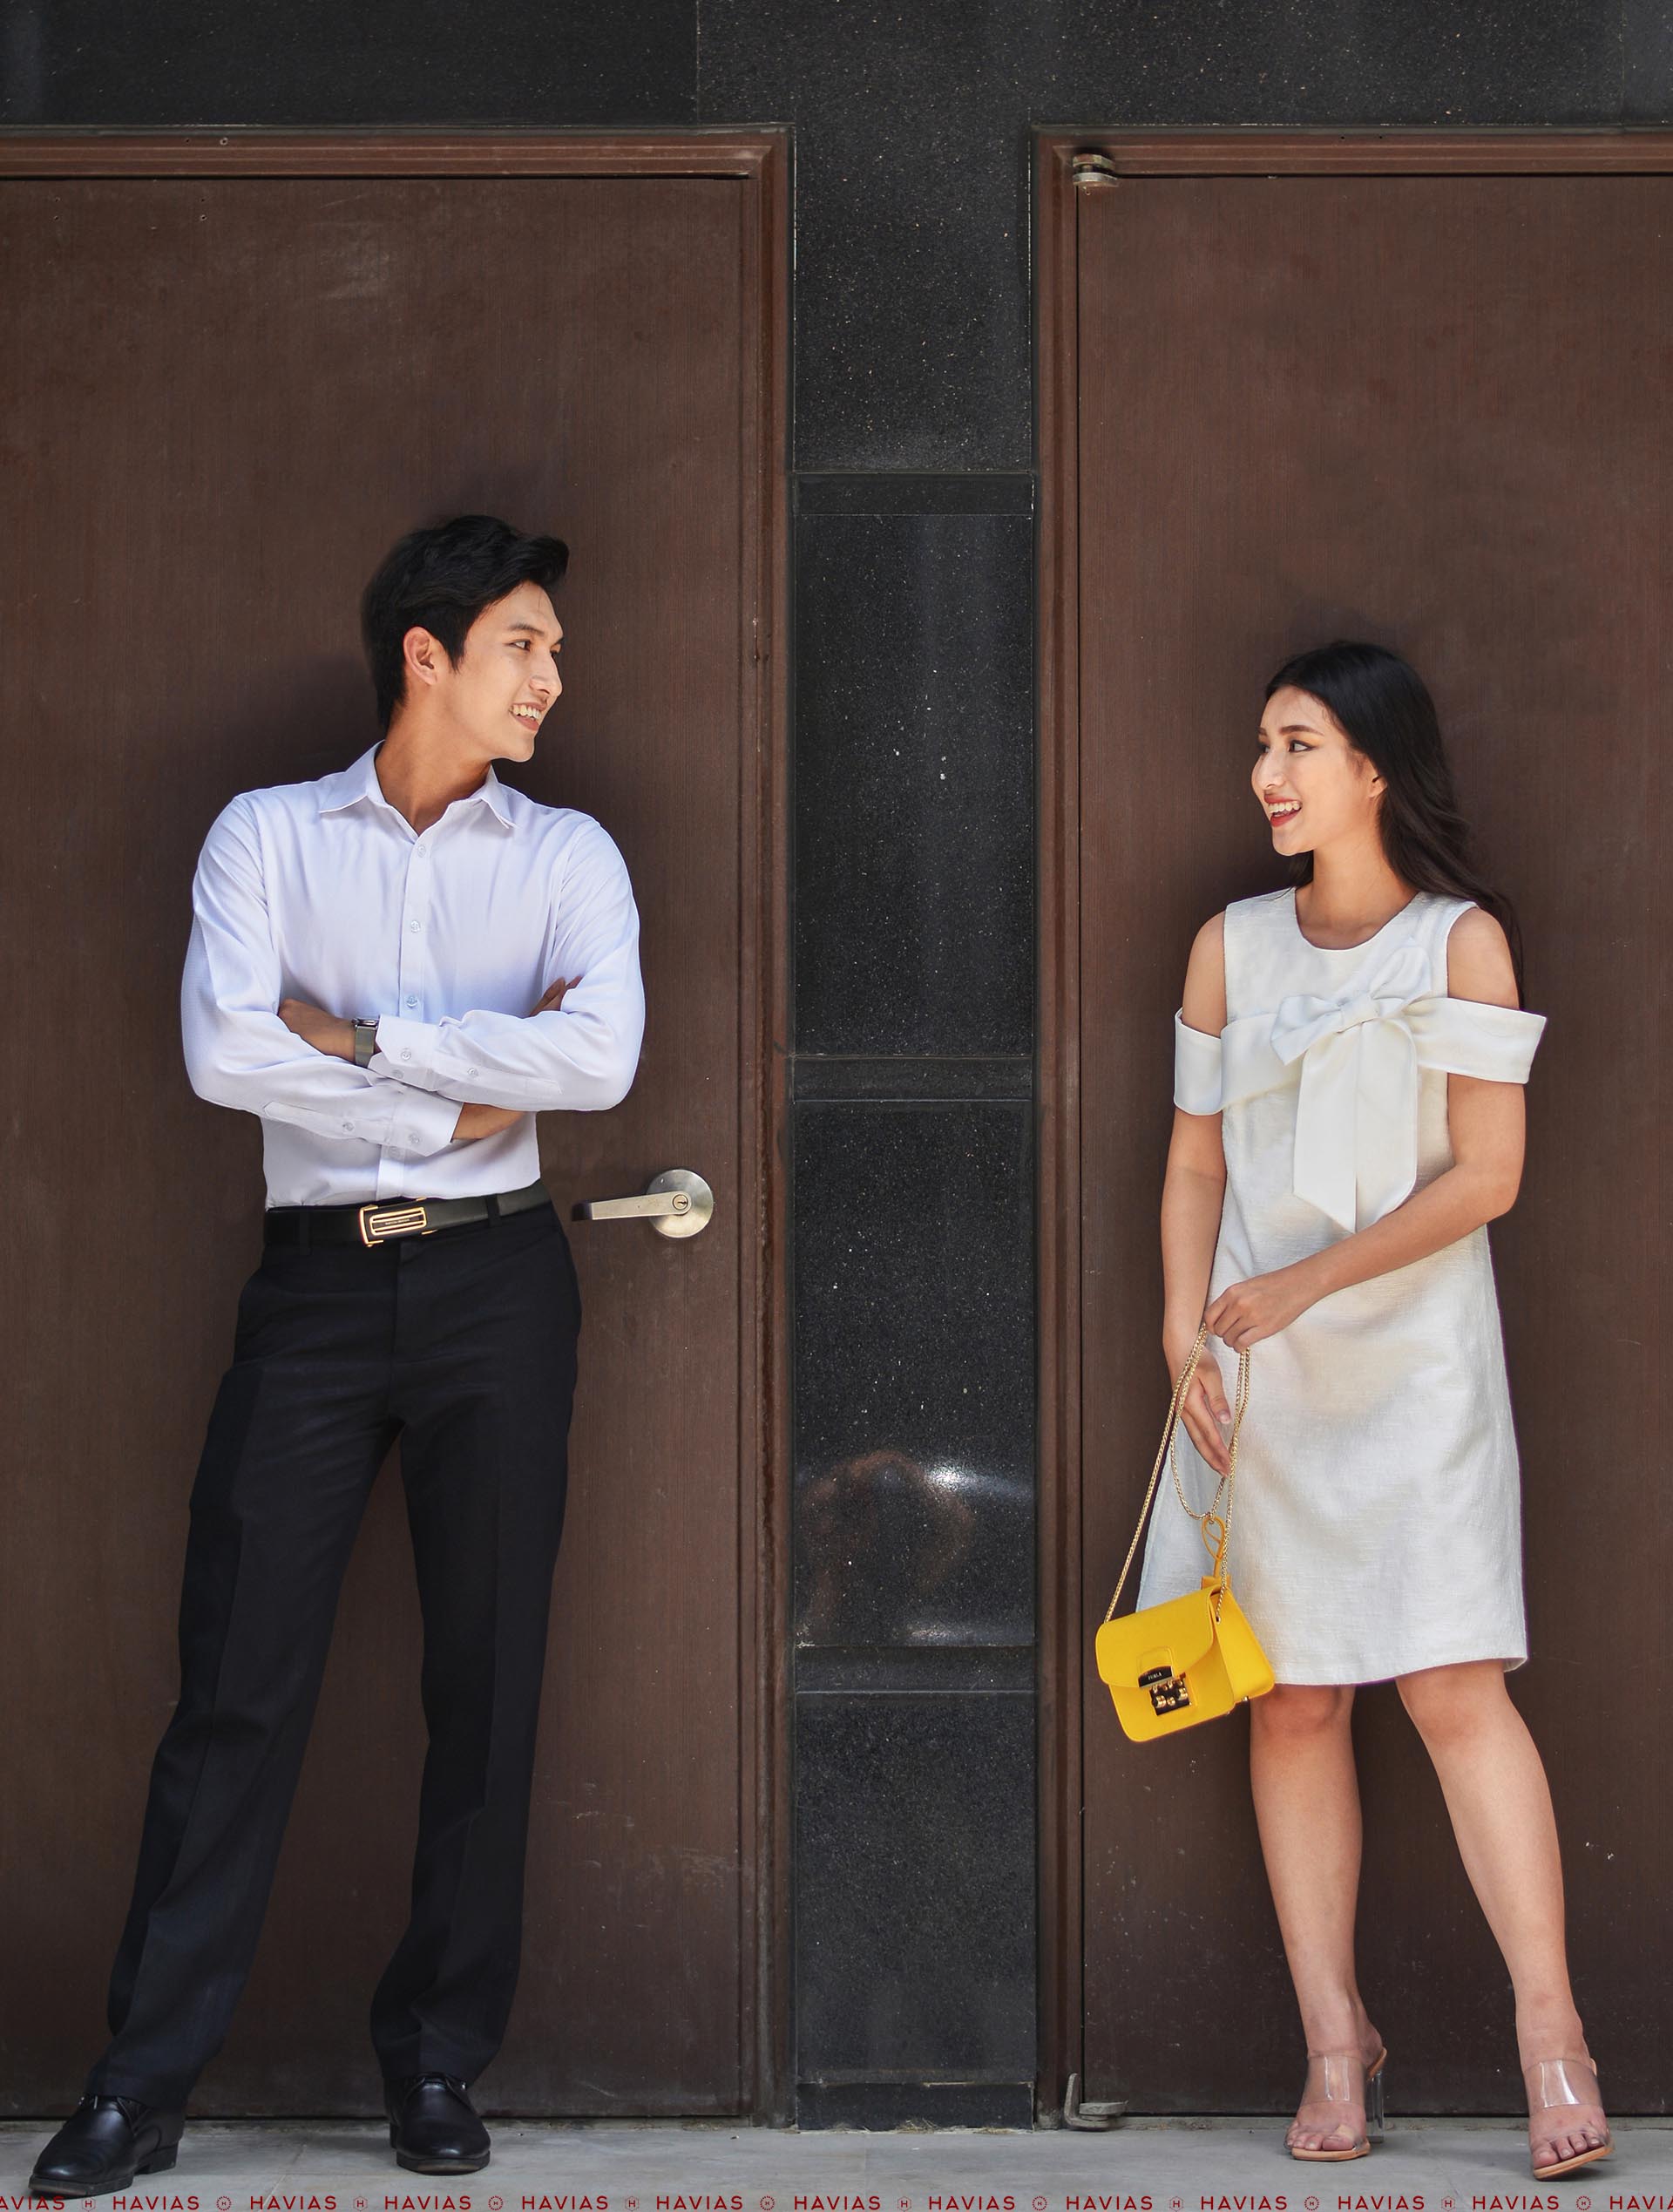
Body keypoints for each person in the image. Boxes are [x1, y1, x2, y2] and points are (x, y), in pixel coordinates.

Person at [27, 513, 645, 2196]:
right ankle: (139, 2080)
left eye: (556, 650)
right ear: (424, 654)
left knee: (489, 1684)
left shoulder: (569, 851)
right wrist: (459, 1089)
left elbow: (600, 1059)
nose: (551, 677)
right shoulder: (267, 837)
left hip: (499, 1288)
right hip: (311, 1292)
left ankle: (439, 2060)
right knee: (236, 1684)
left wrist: (361, 1041)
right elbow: (224, 1052)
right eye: (525, 643)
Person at [1135, 641, 1610, 2181]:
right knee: (1294, 1699)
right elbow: (1198, 1159)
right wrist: (1179, 1324)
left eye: (1297, 745)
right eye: (1263, 745)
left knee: (1455, 1685)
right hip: (1262, 1377)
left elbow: (1490, 1177)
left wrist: (1310, 1281)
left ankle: (1554, 2034)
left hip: (1416, 1372)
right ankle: (1336, 2041)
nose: (1266, 776)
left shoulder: (1461, 945)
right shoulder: (1230, 946)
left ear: (1373, 769)